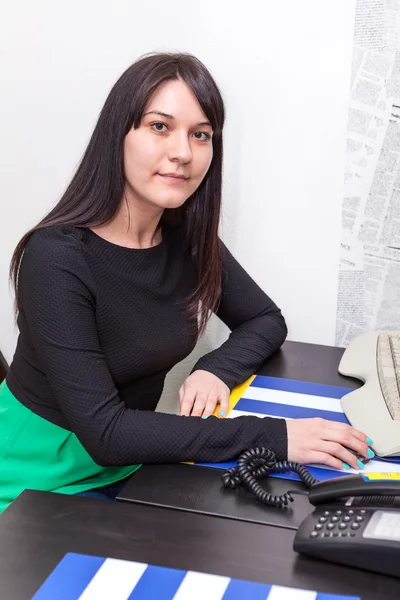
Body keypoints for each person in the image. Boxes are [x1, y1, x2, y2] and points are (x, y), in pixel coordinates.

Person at [0, 52, 373, 512]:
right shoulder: (56, 256)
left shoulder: (186, 238)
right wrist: (277, 436)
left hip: (133, 462)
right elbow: (106, 433)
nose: (183, 152)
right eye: (160, 126)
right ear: (118, 134)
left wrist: (217, 368)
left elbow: (263, 319)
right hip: (32, 478)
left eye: (201, 135)